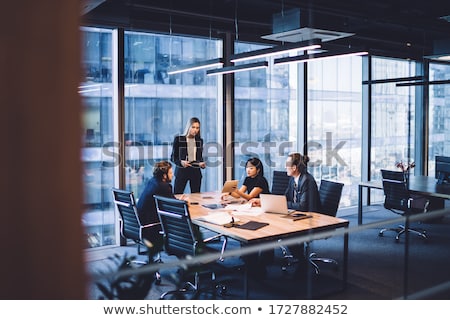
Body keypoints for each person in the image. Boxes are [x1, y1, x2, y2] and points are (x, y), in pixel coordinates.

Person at [284, 152, 321, 280]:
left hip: (311, 218)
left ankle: (301, 261)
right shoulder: (293, 179)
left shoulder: (307, 180)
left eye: (287, 165)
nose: (285, 167)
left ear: (294, 168)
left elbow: (303, 206)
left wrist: (284, 205)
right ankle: (299, 258)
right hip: (298, 215)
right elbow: (286, 198)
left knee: (286, 233)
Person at [136, 160, 177, 260]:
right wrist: (185, 203)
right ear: (164, 175)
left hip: (138, 223)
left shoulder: (152, 182)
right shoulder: (164, 187)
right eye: (171, 173)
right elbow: (175, 207)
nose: (173, 175)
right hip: (150, 227)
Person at [171, 117, 206, 194]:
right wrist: (181, 162)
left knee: (196, 196)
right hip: (182, 171)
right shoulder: (179, 139)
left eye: (197, 128)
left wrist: (201, 163)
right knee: (177, 194)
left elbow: (199, 157)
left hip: (195, 171)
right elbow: (173, 157)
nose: (195, 130)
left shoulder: (199, 140)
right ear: (188, 127)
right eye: (193, 127)